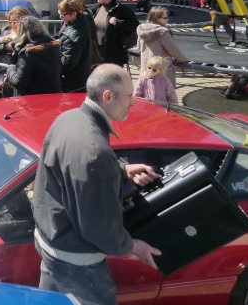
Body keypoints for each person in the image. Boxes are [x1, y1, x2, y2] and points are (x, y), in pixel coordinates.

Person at [32, 65, 161, 304]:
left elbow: (68, 171)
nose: (132, 103)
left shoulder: (67, 118)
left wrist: (121, 169)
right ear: (108, 96)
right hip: (77, 263)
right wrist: (132, 246)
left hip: (49, 241)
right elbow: (99, 227)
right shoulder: (94, 151)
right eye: (129, 96)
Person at [5, 16, 61, 96]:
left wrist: (10, 69)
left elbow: (19, 82)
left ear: (22, 32)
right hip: (54, 94)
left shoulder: (28, 52)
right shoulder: (53, 44)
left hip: (34, 98)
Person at [136, 6, 186, 86]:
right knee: (163, 96)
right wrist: (182, 59)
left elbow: (139, 47)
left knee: (147, 94)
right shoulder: (163, 32)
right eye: (165, 18)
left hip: (146, 70)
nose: (167, 20)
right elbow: (173, 50)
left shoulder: (141, 29)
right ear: (157, 18)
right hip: (161, 73)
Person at [93, 0, 139, 66]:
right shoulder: (97, 8)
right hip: (98, 52)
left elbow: (134, 25)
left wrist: (118, 23)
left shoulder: (122, 10)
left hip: (113, 53)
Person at [57, 0, 93, 93]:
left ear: (73, 14)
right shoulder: (80, 24)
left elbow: (67, 64)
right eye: (59, 13)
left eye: (62, 15)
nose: (60, 17)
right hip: (79, 79)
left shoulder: (74, 36)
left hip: (73, 83)